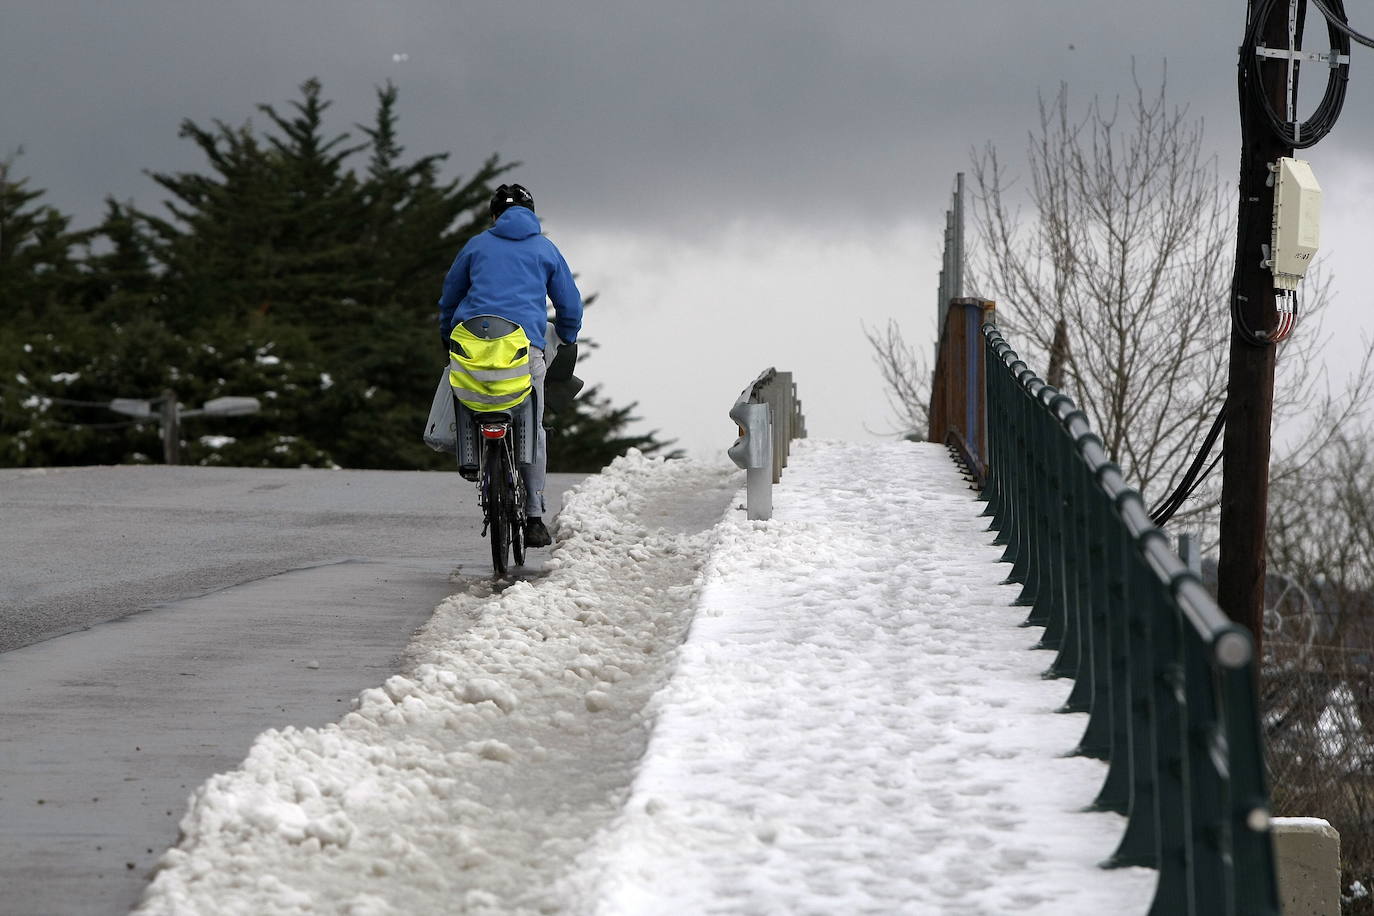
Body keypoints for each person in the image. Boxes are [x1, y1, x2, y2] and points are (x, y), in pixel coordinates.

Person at [437, 183, 583, 548]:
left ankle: (469, 455)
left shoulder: (476, 245)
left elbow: (449, 298)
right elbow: (570, 306)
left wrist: (447, 336)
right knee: (532, 424)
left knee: (463, 385)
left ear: (494, 216)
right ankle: (534, 515)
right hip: (523, 349)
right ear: (532, 214)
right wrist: (565, 336)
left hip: (472, 343)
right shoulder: (544, 248)